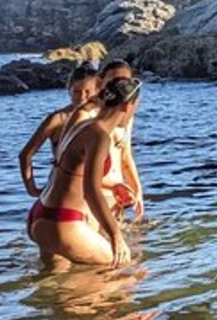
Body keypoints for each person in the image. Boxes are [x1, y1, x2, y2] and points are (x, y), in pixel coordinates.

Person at [26, 77, 140, 268]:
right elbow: (91, 191)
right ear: (129, 106)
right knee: (123, 267)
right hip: (62, 222)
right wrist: (116, 235)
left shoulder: (82, 124)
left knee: (59, 287)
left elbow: (70, 172)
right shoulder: (100, 136)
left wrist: (113, 185)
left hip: (41, 213)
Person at [64, 58, 145, 220]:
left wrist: (137, 190)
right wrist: (111, 185)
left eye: (125, 81)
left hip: (118, 194)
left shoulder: (124, 115)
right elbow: (71, 167)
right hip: (91, 195)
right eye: (115, 80)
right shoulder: (85, 115)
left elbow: (126, 156)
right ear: (101, 81)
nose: (120, 85)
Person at [19, 63, 100, 198]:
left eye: (87, 92)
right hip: (65, 189)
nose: (82, 97)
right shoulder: (57, 119)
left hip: (97, 187)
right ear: (69, 90)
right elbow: (25, 155)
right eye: (77, 91)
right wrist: (32, 189)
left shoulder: (102, 116)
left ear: (97, 91)